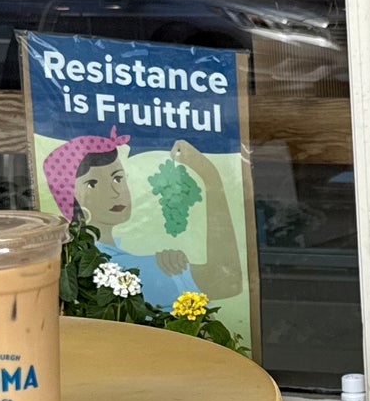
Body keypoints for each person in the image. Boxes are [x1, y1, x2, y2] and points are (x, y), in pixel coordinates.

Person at [43, 131, 243, 313]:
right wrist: (210, 176)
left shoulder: (92, 256)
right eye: (92, 184)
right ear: (72, 198)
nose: (115, 192)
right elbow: (227, 279)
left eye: (117, 178)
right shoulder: (129, 270)